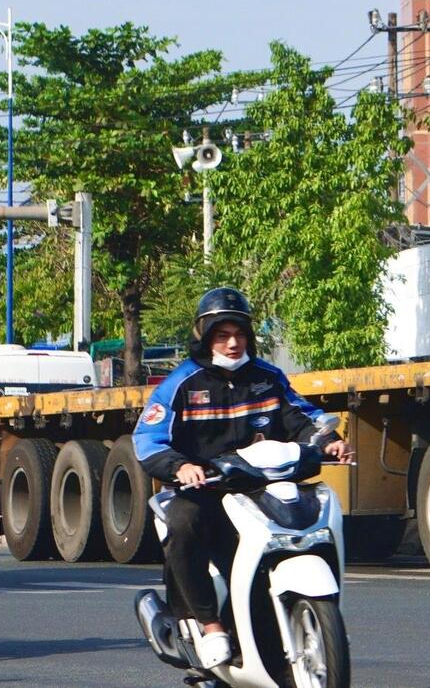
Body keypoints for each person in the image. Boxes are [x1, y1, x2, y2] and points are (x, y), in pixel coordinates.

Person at [133, 288, 348, 672]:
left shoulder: (268, 378)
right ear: (204, 335)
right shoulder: (182, 383)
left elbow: (302, 416)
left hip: (260, 488)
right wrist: (181, 467)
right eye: (221, 335)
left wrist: (329, 441)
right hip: (207, 491)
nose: (232, 343)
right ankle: (210, 624)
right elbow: (147, 439)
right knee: (184, 524)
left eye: (239, 334)